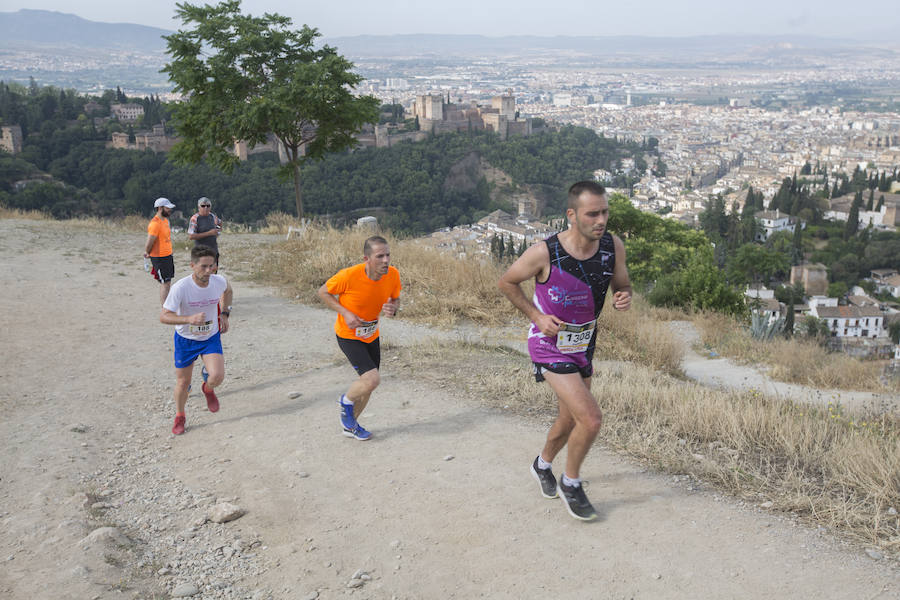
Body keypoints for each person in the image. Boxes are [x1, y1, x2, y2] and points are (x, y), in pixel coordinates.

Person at [498, 181, 632, 521]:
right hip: (548, 344)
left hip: (584, 342)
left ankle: (542, 464)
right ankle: (570, 483)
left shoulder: (612, 247)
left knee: (570, 418)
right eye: (592, 214)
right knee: (591, 418)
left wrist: (623, 296)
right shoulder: (546, 252)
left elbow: (622, 283)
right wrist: (537, 316)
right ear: (572, 215)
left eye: (604, 212)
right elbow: (507, 282)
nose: (600, 220)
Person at [317, 236, 401, 441]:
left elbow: (395, 297)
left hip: (371, 334)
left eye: (387, 255)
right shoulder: (349, 275)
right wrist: (345, 313)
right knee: (372, 379)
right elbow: (323, 292)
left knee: (369, 385)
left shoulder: (393, 275)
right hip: (348, 335)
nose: (385, 260)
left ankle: (350, 424)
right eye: (379, 256)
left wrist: (394, 307)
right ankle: (345, 401)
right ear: (367, 258)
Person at [160, 245, 234, 435]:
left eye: (212, 266)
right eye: (204, 267)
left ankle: (207, 389)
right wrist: (188, 319)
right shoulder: (181, 288)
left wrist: (224, 314)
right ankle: (180, 415)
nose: (209, 271)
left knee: (217, 376)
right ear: (192, 265)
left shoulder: (218, 281)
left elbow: (228, 291)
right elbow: (164, 316)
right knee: (183, 383)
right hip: (186, 339)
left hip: (210, 336)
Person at [144, 197, 176, 305]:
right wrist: (147, 252)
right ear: (160, 208)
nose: (169, 210)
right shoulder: (155, 223)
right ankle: (165, 307)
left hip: (168, 255)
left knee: (168, 281)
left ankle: (167, 304)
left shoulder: (166, 221)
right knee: (164, 282)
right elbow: (150, 242)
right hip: (159, 257)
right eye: (167, 208)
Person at [187, 197, 223, 267]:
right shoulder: (195, 219)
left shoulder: (212, 216)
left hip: (213, 250)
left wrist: (218, 232)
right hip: (201, 252)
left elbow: (220, 222)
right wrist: (209, 233)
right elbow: (191, 236)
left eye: (208, 206)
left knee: (213, 273)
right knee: (203, 274)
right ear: (199, 207)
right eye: (203, 206)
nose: (206, 208)